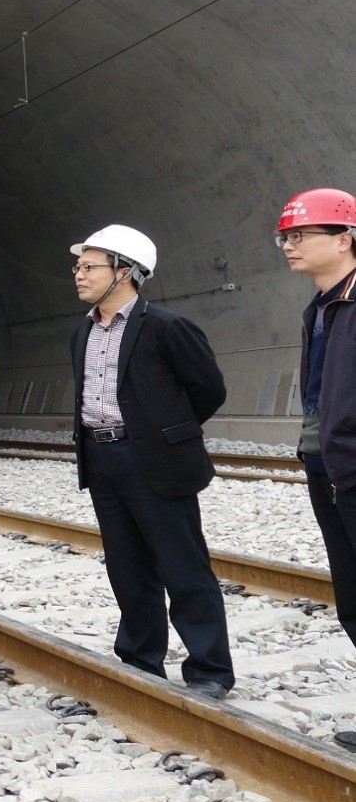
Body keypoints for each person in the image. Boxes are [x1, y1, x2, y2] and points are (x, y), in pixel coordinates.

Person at [68, 224, 234, 699]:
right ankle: (140, 660)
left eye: (90, 266)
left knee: (183, 567)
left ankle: (209, 670)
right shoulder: (82, 330)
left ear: (125, 272)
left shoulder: (166, 326)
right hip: (102, 458)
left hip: (155, 460)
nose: (79, 274)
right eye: (77, 266)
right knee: (127, 567)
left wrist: (165, 434)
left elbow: (208, 389)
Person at [273, 188, 356, 750]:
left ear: (345, 238)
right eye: (285, 236)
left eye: (301, 234)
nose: (289, 245)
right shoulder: (321, 307)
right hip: (325, 466)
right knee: (351, 596)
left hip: (351, 466)